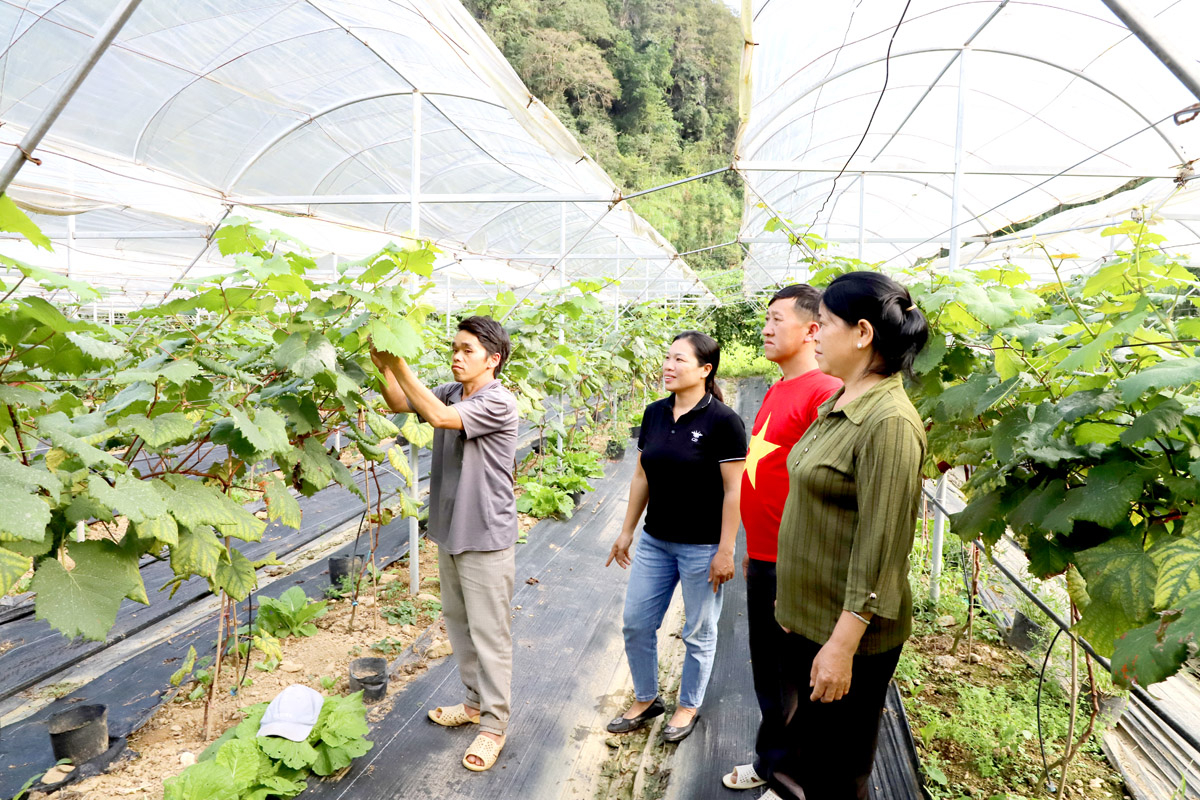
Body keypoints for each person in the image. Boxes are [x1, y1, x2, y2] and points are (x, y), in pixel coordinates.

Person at [761, 271, 928, 800]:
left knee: (838, 771)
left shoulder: (889, 423)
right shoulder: (839, 405)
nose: (815, 335)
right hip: (810, 621)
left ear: (861, 333)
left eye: (824, 325)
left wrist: (840, 646)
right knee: (812, 757)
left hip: (845, 636)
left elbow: (883, 549)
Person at [371, 316, 518, 773]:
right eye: (454, 348)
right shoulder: (453, 391)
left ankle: (494, 726)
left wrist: (400, 359)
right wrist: (383, 363)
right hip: (451, 528)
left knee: (490, 635)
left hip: (485, 536)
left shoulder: (498, 402)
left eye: (467, 350)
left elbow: (435, 417)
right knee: (459, 625)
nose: (456, 356)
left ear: (493, 360)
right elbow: (399, 400)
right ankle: (473, 704)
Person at [722, 285, 841, 792]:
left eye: (776, 320)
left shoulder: (824, 391)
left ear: (812, 330)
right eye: (765, 320)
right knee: (769, 677)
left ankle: (791, 782)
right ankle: (770, 761)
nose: (766, 329)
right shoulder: (776, 389)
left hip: (797, 564)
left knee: (794, 679)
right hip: (764, 556)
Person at [605, 331, 747, 743]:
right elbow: (641, 475)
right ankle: (647, 699)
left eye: (679, 360)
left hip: (702, 547)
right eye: (667, 358)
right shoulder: (653, 414)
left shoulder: (723, 421)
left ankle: (688, 705)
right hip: (655, 541)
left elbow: (735, 490)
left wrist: (726, 549)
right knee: (636, 623)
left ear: (705, 370)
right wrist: (627, 530)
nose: (669, 366)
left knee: (699, 632)